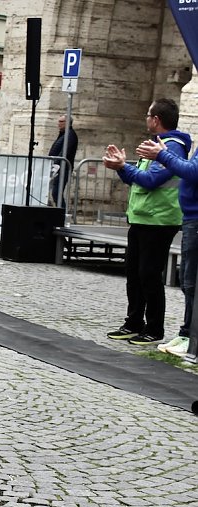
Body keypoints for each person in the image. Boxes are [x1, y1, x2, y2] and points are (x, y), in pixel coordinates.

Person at [103, 98, 190, 346]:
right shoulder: (156, 144)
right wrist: (121, 168)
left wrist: (123, 167)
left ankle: (154, 328)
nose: (146, 119)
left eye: (148, 115)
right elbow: (140, 177)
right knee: (134, 273)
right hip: (142, 217)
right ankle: (133, 322)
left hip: (159, 220)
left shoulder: (171, 147)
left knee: (149, 274)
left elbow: (152, 180)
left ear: (156, 119)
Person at [136, 137, 198, 356]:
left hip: (192, 219)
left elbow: (193, 172)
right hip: (190, 218)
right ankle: (187, 333)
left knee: (191, 283)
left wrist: (162, 155)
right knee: (188, 282)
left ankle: (191, 337)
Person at [48, 114, 78, 208]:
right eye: (59, 121)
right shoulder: (64, 134)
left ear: (68, 123)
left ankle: (62, 213)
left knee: (56, 193)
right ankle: (61, 213)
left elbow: (65, 151)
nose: (58, 124)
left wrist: (55, 163)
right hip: (58, 167)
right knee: (55, 193)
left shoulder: (70, 135)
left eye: (61, 122)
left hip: (62, 168)